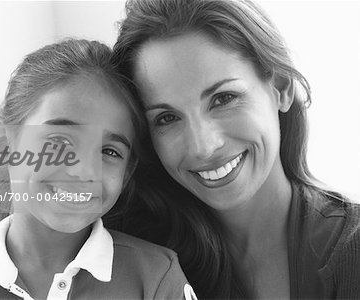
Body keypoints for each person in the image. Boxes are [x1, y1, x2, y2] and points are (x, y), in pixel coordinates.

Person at [110, 0, 360, 298]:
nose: (204, 146)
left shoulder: (350, 253)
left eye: (223, 98)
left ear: (280, 87)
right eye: (167, 118)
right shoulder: (134, 258)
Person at [0, 39, 196, 300]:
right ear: (3, 144)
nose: (82, 171)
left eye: (109, 152)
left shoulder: (156, 278)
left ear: (127, 172)